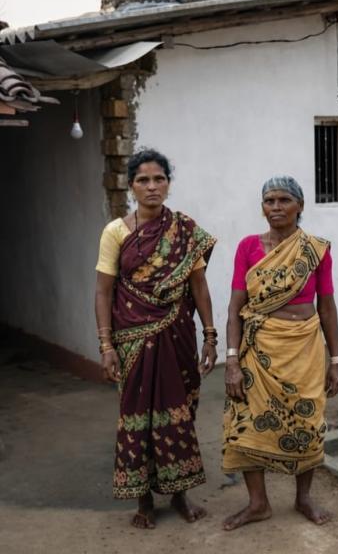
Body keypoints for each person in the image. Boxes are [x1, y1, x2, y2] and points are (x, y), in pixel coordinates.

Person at [94, 149, 217, 529]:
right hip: (132, 339)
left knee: (179, 414)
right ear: (131, 186)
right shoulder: (116, 232)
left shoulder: (185, 230)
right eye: (143, 180)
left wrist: (210, 336)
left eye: (159, 179)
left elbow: (199, 286)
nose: (152, 186)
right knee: (138, 416)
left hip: (177, 335)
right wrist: (106, 346)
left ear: (168, 183)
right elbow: (103, 291)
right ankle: (144, 500)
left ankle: (179, 494)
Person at [222, 175, 338, 530]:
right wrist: (231, 360)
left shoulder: (315, 250)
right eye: (269, 201)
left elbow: (327, 307)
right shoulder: (248, 247)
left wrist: (336, 360)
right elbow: (235, 308)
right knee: (247, 422)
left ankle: (303, 498)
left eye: (284, 200)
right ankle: (258, 503)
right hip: (258, 351)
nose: (275, 207)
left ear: (299, 206)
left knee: (307, 421)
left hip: (305, 350)